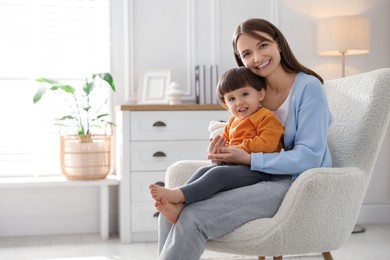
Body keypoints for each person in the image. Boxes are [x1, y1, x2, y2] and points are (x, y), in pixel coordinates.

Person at [154, 18, 333, 260]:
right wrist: (221, 153)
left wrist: (250, 158)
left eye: (262, 46)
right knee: (172, 210)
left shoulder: (309, 88)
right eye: (247, 53)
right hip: (252, 175)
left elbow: (310, 156)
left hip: (292, 184)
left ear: (278, 44)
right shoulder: (251, 92)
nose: (257, 58)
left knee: (193, 217)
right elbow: (236, 133)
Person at [149, 67, 284, 224]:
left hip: (259, 169)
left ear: (260, 94)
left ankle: (178, 195)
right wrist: (218, 152)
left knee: (217, 175)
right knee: (205, 171)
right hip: (235, 167)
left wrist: (239, 148)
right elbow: (225, 144)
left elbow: (268, 143)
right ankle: (180, 205)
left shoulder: (266, 117)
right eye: (231, 99)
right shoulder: (232, 122)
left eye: (245, 94)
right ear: (226, 106)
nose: (239, 102)